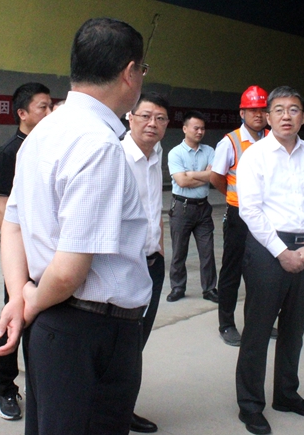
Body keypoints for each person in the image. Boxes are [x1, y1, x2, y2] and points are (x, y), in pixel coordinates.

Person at [0, 17, 151, 434]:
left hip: (53, 325)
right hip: (91, 332)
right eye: (142, 69)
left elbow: (13, 226)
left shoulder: (43, 132)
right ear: (129, 72)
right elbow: (68, 271)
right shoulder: (98, 145)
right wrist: (29, 301)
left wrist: (19, 296)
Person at [235, 86, 304, 435]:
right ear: (267, 117)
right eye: (278, 110)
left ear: (303, 117)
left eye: (294, 110)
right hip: (267, 250)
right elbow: (250, 210)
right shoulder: (255, 156)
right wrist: (282, 252)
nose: (286, 116)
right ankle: (250, 404)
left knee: (294, 328)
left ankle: (287, 394)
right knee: (258, 331)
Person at [0, 82, 52, 420]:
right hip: (21, 259)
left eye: (51, 105)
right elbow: (3, 212)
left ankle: (41, 387)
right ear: (22, 113)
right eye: (42, 107)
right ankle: (5, 388)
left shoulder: (51, 148)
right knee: (12, 318)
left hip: (48, 256)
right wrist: (19, 260)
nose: (50, 112)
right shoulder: (8, 154)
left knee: (42, 325)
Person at [121, 92, 170, 433]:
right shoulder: (117, 156)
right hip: (125, 266)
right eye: (145, 116)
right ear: (130, 117)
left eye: (160, 118)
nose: (152, 124)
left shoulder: (157, 154)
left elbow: (155, 207)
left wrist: (159, 249)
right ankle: (109, 410)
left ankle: (123, 407)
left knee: (137, 342)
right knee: (121, 344)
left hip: (153, 263)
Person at [210, 85, 270, 346]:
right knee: (232, 271)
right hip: (238, 216)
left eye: (262, 109)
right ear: (242, 112)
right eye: (252, 110)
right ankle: (226, 324)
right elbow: (216, 177)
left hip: (266, 215)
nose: (258, 114)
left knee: (262, 271)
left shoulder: (272, 139)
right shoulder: (230, 142)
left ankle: (258, 322)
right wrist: (237, 198)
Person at [166, 110, 218, 303]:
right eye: (196, 128)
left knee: (207, 251)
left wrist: (191, 175)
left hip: (203, 208)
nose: (200, 132)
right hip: (182, 207)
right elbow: (182, 181)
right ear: (185, 128)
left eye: (202, 128)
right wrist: (204, 176)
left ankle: (210, 289)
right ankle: (178, 287)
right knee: (179, 251)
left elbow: (215, 176)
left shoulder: (210, 151)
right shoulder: (175, 153)